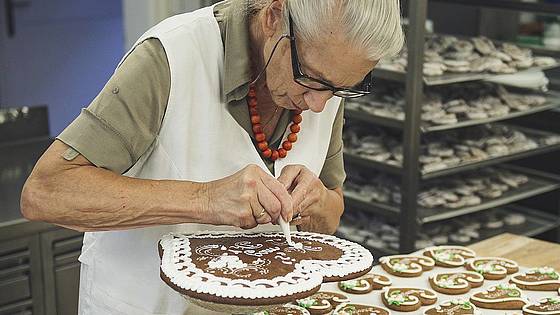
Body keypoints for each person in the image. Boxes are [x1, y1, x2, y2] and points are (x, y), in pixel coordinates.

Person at [20, 0, 403, 314]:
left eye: (343, 88)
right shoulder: (171, 57)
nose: (320, 105)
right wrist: (204, 199)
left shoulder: (327, 82)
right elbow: (46, 193)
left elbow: (333, 209)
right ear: (273, 15)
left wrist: (316, 204)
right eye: (312, 78)